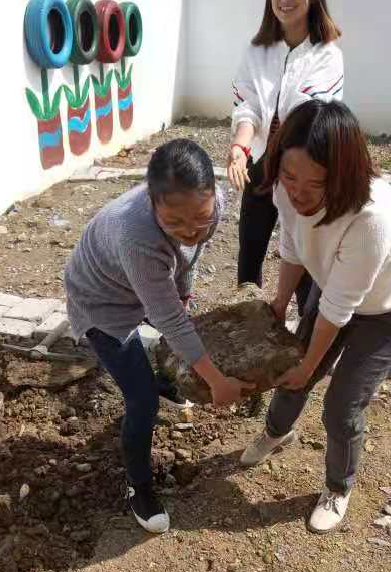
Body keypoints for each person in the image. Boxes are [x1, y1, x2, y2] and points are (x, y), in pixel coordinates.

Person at [239, 100, 391, 534]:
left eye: (316, 183)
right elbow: (293, 247)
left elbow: (338, 310)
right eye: (290, 176)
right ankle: (275, 432)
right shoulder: (285, 187)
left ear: (344, 175)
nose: (298, 192)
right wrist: (279, 303)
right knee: (290, 370)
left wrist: (310, 364)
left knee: (341, 404)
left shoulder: (371, 217)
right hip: (336, 288)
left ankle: (337, 487)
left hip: (390, 307)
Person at [65, 139, 253, 534]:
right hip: (100, 300)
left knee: (179, 330)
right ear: (152, 203)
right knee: (142, 399)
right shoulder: (137, 237)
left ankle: (168, 378)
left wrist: (184, 293)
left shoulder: (211, 205)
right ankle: (138, 486)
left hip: (137, 283)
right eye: (175, 223)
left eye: (200, 219)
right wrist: (217, 382)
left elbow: (189, 257)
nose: (190, 231)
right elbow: (168, 318)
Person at [229, 0, 344, 315]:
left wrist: (283, 168)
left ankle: (309, 325)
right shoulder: (257, 51)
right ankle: (248, 318)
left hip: (303, 168)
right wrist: (240, 149)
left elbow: (309, 115)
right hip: (264, 159)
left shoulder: (327, 55)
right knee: (251, 246)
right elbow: (248, 106)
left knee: (305, 248)